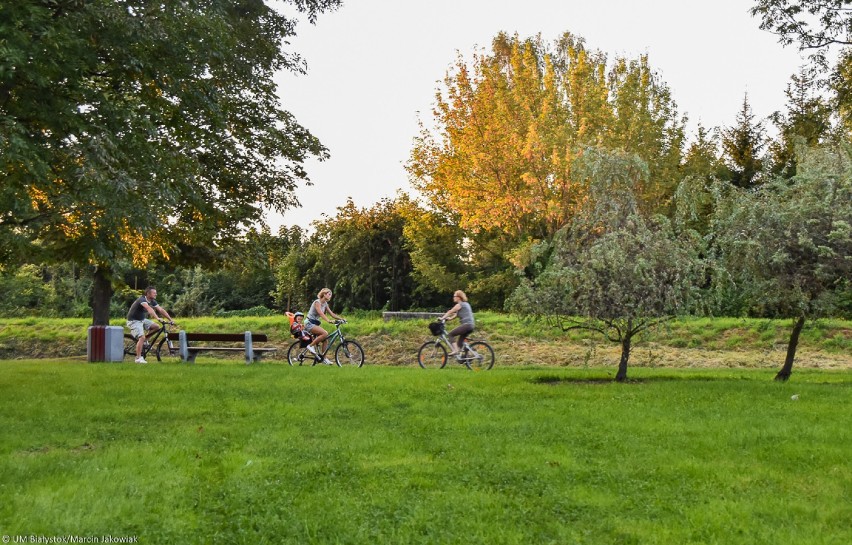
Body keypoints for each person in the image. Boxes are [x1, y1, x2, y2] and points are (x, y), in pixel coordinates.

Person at [126, 286, 174, 364]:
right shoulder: (142, 300)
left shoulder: (153, 301)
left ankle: (145, 341)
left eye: (156, 293)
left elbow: (161, 310)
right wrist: (157, 318)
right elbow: (149, 309)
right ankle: (138, 358)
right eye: (154, 293)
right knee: (141, 337)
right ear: (148, 293)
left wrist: (170, 319)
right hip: (133, 321)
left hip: (141, 320)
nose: (156, 294)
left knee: (156, 327)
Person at [305, 288, 344, 364]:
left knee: (325, 340)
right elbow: (321, 313)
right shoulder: (317, 302)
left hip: (315, 324)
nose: (330, 296)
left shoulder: (325, 304)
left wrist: (342, 319)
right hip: (309, 323)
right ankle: (310, 346)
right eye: (329, 294)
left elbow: (332, 314)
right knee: (325, 333)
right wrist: (328, 320)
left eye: (331, 295)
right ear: (324, 294)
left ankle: (324, 358)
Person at [439, 290, 475, 357]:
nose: (453, 297)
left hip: (466, 325)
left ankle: (455, 351)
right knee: (460, 343)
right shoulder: (466, 304)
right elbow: (456, 315)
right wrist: (449, 319)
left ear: (458, 297)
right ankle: (468, 356)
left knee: (450, 334)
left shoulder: (459, 305)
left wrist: (442, 318)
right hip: (471, 325)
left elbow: (450, 311)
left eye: (454, 296)